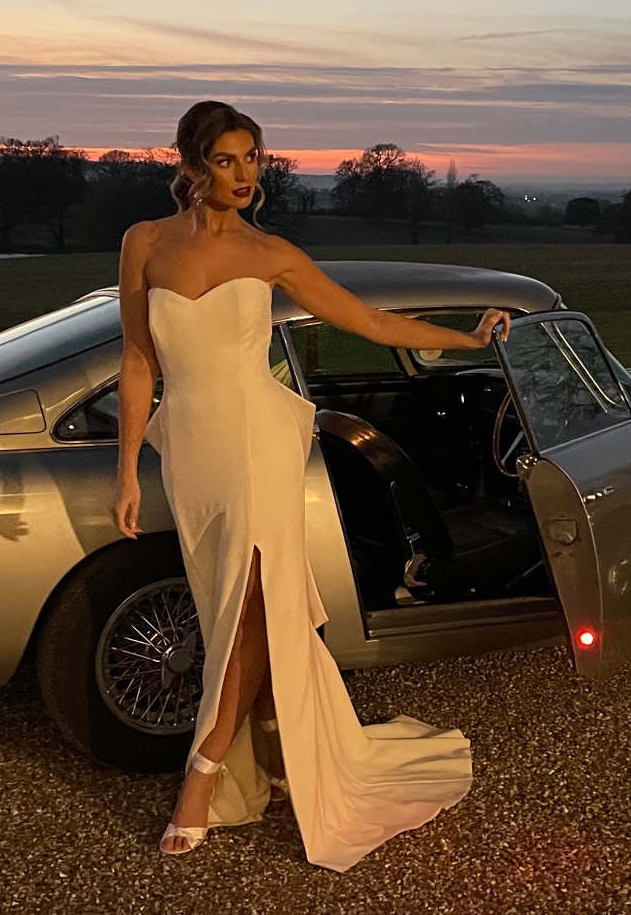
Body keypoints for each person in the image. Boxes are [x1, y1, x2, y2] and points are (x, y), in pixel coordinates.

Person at [112, 101, 510, 870]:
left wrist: (466, 336)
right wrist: (127, 467)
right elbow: (137, 362)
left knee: (250, 603)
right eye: (227, 160)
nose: (244, 175)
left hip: (259, 442)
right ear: (191, 165)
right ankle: (284, 753)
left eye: (253, 158)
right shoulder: (144, 243)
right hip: (191, 451)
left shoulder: (273, 253)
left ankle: (203, 779)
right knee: (230, 609)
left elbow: (369, 321)